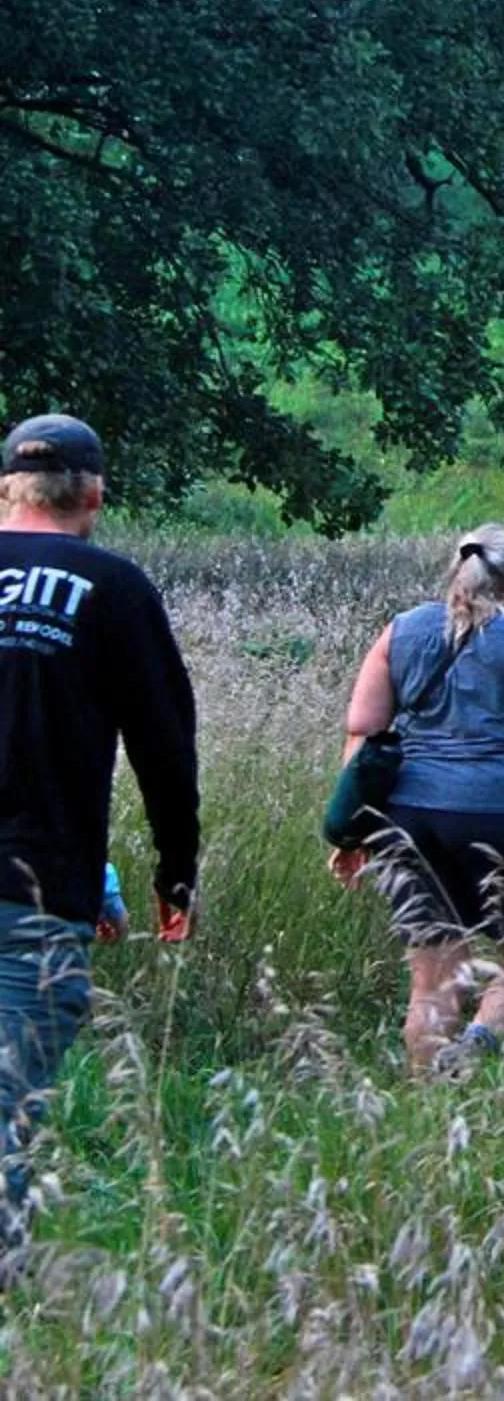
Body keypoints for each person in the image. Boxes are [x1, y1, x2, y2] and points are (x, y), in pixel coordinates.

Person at [0, 413, 197, 1267]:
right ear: (94, 494)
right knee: (9, 1104)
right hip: (38, 890)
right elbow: (164, 746)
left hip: (46, 887)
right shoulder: (114, 588)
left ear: (6, 490)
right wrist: (175, 874)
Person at [331, 526, 504, 1078]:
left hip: (407, 820)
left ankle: (429, 1104)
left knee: (429, 980)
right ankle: (480, 1039)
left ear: (454, 569)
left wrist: (351, 832)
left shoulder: (398, 632)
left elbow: (362, 735)